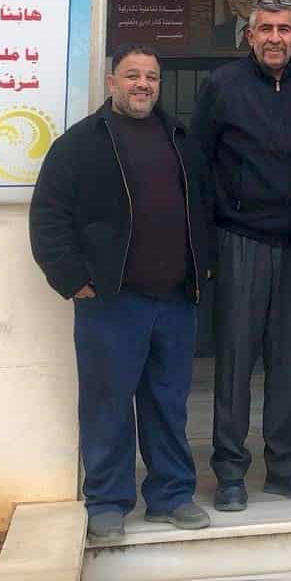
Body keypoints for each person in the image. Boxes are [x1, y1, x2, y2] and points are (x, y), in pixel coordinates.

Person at [28, 46, 214, 539]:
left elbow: (204, 208)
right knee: (107, 404)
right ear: (111, 82)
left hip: (175, 302)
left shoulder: (179, 139)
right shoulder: (80, 144)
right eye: (132, 75)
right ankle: (107, 501)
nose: (142, 84)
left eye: (151, 76)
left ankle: (171, 495)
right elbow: (48, 217)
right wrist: (72, 279)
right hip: (112, 302)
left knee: (168, 404)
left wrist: (204, 271)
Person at [189, 0, 291, 512]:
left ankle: (286, 467)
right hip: (239, 242)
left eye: (284, 29)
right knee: (234, 363)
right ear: (249, 36)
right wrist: (206, 245)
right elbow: (198, 166)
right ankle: (230, 472)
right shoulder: (221, 85)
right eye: (265, 29)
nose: (275, 38)